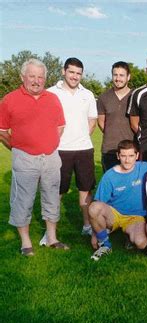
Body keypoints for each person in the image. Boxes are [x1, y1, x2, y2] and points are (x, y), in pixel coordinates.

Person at [0, 58, 69, 255]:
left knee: (52, 198)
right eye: (32, 76)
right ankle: (25, 243)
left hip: (50, 158)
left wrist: (48, 143)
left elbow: (60, 126)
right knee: (23, 200)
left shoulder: (53, 99)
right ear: (23, 77)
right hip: (24, 158)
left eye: (40, 77)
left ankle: (51, 238)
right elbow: (2, 130)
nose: (36, 81)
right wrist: (19, 146)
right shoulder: (9, 100)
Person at [47, 57, 98, 237]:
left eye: (78, 73)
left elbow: (92, 120)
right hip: (59, 150)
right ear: (64, 71)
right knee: (57, 190)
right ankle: (50, 230)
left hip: (84, 149)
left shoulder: (88, 94)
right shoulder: (51, 93)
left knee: (85, 189)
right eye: (71, 72)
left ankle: (87, 225)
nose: (75, 76)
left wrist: (81, 136)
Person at [88, 140, 147, 261]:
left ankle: (128, 236)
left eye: (131, 156)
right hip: (115, 214)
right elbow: (98, 203)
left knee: (141, 243)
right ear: (118, 156)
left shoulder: (145, 168)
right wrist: (94, 233)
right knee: (94, 208)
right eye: (123, 156)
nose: (127, 160)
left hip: (135, 216)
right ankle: (105, 244)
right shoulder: (109, 176)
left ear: (137, 156)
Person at [97, 61, 134, 172]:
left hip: (130, 150)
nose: (118, 78)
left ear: (128, 77)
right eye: (115, 75)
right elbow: (101, 122)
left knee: (130, 185)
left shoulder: (135, 96)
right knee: (111, 185)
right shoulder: (104, 97)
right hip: (110, 150)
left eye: (121, 75)